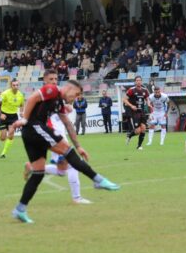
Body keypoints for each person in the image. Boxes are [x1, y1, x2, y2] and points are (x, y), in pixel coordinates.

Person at [11, 81, 120, 223]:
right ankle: (97, 180)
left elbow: (68, 124)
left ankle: (20, 209)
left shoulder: (59, 103)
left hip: (31, 133)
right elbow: (32, 98)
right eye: (76, 94)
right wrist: (25, 119)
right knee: (68, 152)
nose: (75, 98)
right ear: (69, 88)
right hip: (34, 128)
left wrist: (79, 146)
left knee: (38, 173)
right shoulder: (52, 90)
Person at [25, 71, 92, 205]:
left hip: (58, 136)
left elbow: (65, 114)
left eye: (56, 79)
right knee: (73, 165)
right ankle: (77, 198)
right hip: (54, 136)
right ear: (44, 81)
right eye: (51, 79)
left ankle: (32, 168)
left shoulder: (56, 97)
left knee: (62, 171)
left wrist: (65, 106)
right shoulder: (43, 98)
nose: (54, 81)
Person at [0, 79, 25, 158]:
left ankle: (3, 153)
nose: (15, 87)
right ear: (11, 86)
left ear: (19, 86)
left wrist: (21, 112)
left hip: (13, 117)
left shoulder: (21, 95)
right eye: (14, 85)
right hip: (4, 116)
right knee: (2, 138)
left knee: (11, 135)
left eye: (17, 85)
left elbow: (22, 104)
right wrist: (0, 114)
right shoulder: (5, 94)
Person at [124, 76, 151, 150]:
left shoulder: (145, 90)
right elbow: (125, 100)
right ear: (135, 82)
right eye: (137, 80)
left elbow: (147, 98)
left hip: (142, 111)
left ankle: (139, 146)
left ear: (141, 81)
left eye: (140, 80)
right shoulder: (131, 90)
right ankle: (129, 136)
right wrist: (131, 105)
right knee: (138, 131)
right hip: (134, 112)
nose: (138, 81)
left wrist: (148, 104)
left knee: (144, 128)